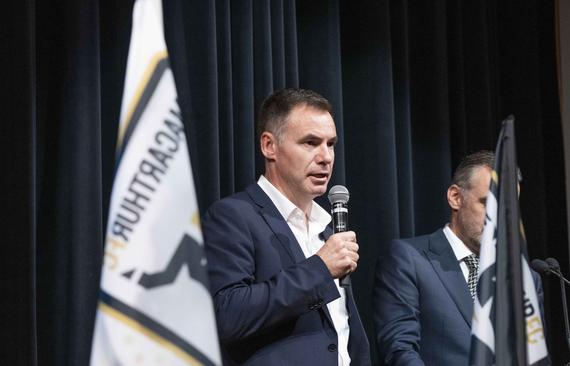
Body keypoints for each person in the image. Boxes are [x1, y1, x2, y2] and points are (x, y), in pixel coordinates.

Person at [202, 88, 371, 366]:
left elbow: (341, 329)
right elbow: (228, 315)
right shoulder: (233, 217)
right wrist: (319, 268)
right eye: (310, 142)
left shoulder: (325, 230)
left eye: (330, 144)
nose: (326, 157)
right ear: (269, 146)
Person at [373, 151, 544, 365]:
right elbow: (399, 350)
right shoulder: (408, 259)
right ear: (455, 197)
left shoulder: (525, 280)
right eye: (489, 203)